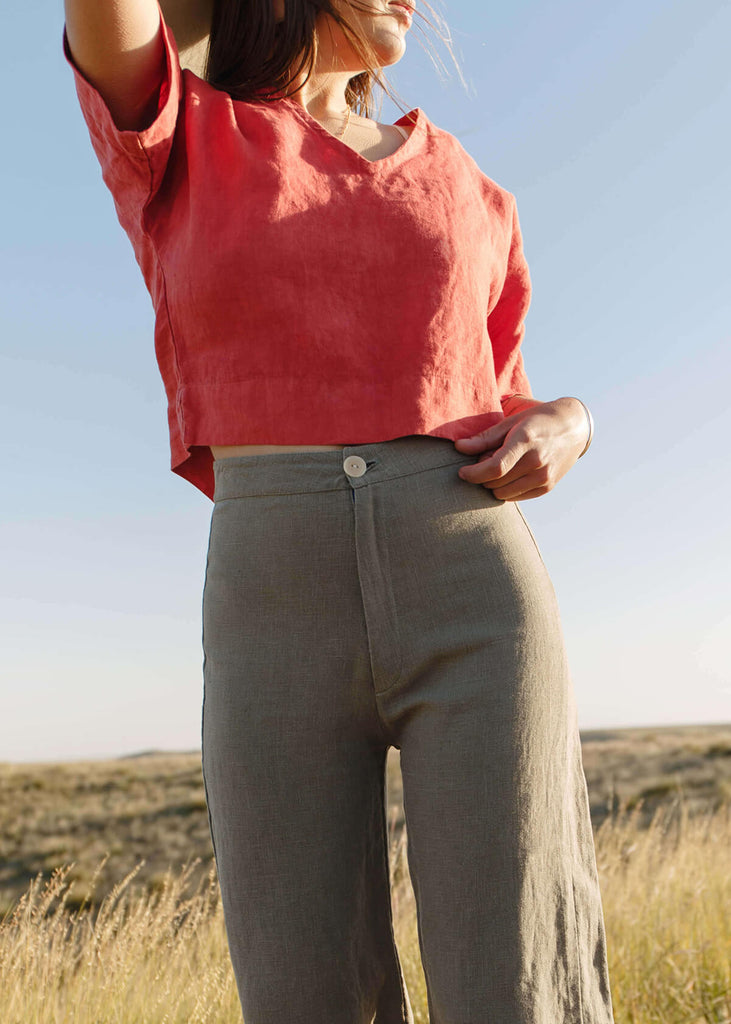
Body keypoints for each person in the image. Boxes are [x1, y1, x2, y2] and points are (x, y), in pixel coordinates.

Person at [62, 0, 615, 1020]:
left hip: (473, 580)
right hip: (271, 600)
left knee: (521, 975)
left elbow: (504, 395)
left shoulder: (472, 190)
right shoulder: (181, 126)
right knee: (301, 987)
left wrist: (573, 422)